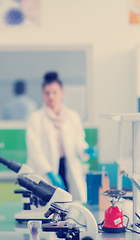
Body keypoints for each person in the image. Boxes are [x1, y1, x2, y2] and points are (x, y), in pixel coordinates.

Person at [25, 71, 96, 202]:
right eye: (47, 93)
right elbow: (35, 151)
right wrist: (50, 172)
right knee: (48, 207)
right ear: (43, 94)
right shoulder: (35, 118)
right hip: (46, 171)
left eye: (54, 92)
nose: (51, 96)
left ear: (62, 93)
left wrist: (85, 149)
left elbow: (78, 141)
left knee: (72, 206)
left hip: (68, 166)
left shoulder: (72, 116)